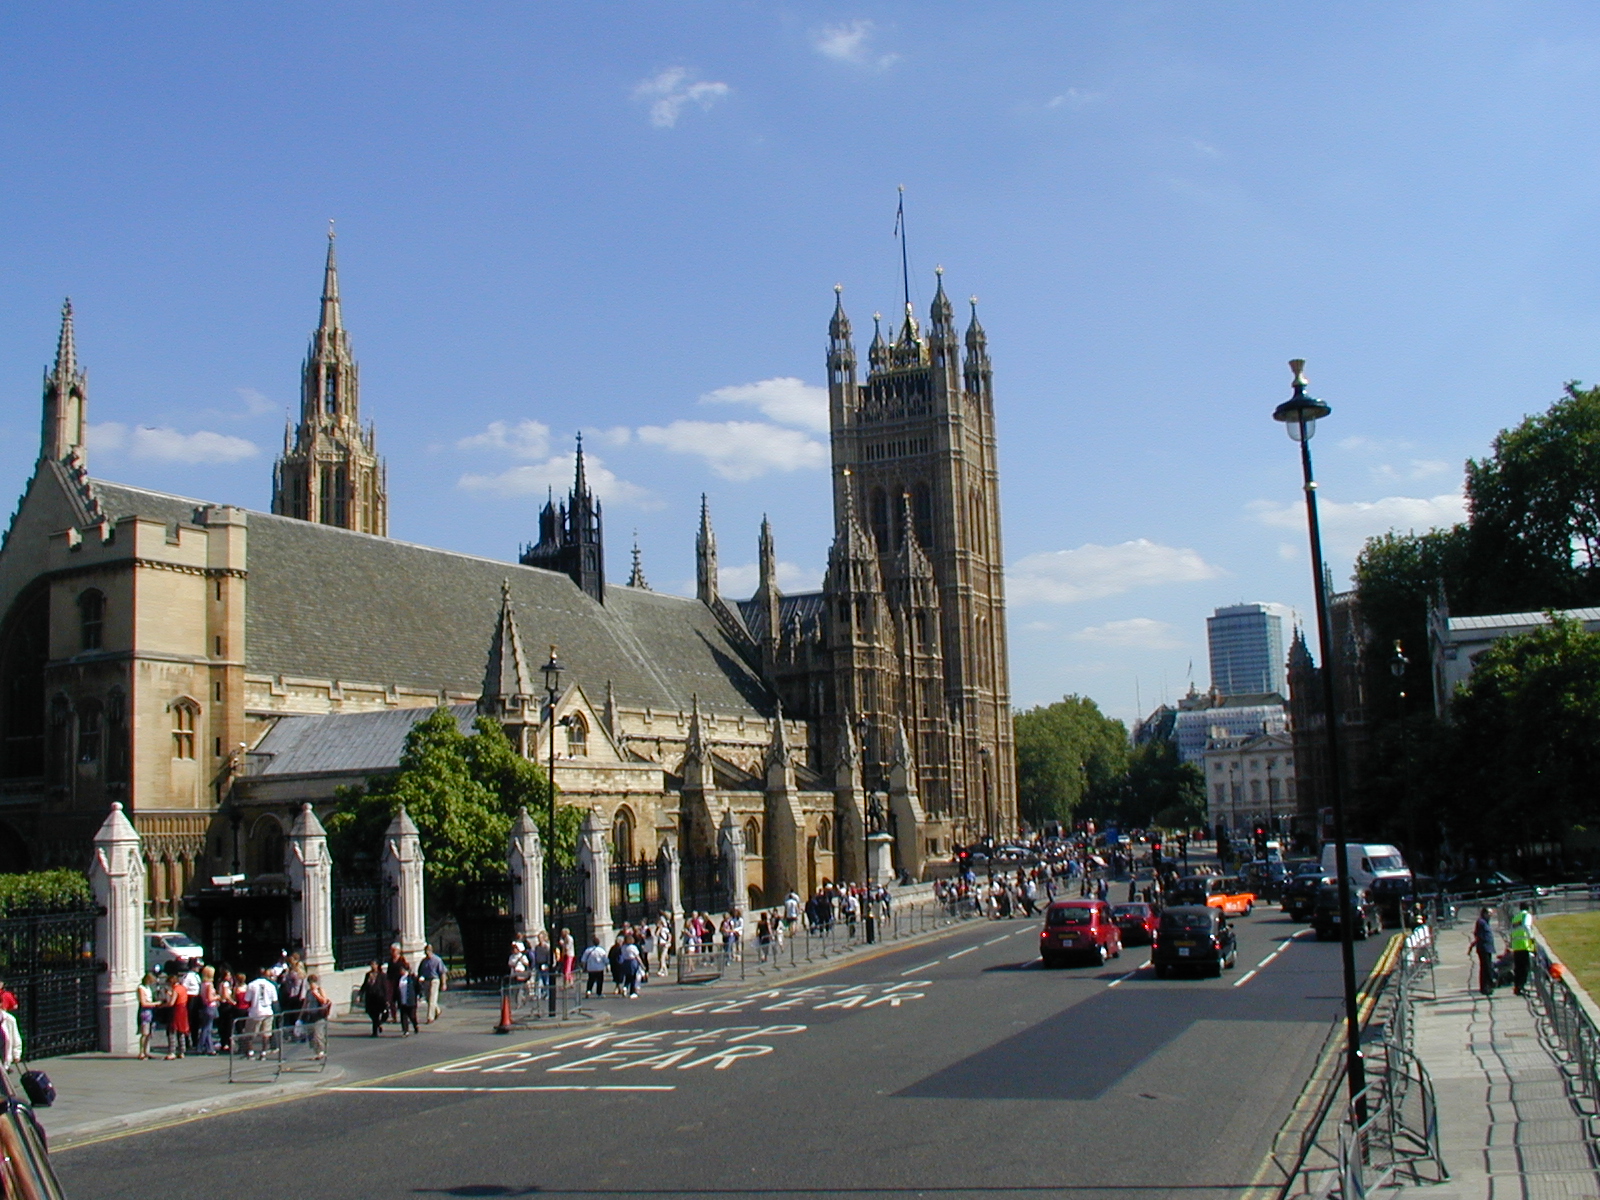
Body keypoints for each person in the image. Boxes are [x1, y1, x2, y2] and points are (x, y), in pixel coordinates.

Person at [243, 966, 279, 1059]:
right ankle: (263, 1052)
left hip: (255, 1012)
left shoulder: (251, 985)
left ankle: (250, 1052)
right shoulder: (271, 985)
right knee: (266, 1034)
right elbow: (274, 1000)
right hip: (267, 1011)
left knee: (250, 1033)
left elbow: (247, 999)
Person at [303, 973, 331, 1060]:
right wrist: (300, 1016)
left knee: (318, 1034)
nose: (311, 985)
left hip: (319, 1015)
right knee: (311, 1034)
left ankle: (321, 1051)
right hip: (311, 1014)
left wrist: (316, 994)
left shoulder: (320, 990)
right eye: (310, 983)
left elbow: (324, 1001)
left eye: (312, 983)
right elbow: (305, 1003)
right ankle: (316, 1051)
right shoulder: (308, 992)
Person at [1510, 902, 1536, 996]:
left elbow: (1511, 930)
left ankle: (1517, 987)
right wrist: (1532, 940)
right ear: (1528, 908)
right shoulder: (1526, 916)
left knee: (1518, 968)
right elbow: (1527, 927)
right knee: (1525, 968)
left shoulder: (1516, 917)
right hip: (1524, 945)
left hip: (1516, 945)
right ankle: (1521, 987)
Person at [1470, 907, 1497, 997]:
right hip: (1484, 948)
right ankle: (1486, 987)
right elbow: (1478, 934)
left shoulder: (1485, 922)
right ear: (1485, 913)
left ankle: (1487, 986)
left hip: (1488, 947)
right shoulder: (1481, 922)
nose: (1491, 915)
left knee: (1487, 967)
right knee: (1486, 968)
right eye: (1489, 913)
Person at [417, 943, 446, 1023]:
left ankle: (430, 1017)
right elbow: (420, 971)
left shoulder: (437, 960)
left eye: (428, 951)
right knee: (428, 998)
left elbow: (442, 972)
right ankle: (437, 1010)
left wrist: (444, 983)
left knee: (432, 999)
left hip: (434, 980)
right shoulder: (424, 961)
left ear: (431, 951)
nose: (427, 953)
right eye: (426, 951)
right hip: (426, 980)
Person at [164, 970, 190, 1059]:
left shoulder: (176, 989)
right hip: (183, 1010)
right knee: (181, 1031)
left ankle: (172, 1052)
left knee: (172, 1031)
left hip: (176, 1011)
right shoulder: (183, 988)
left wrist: (163, 1005)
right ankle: (182, 1051)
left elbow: (172, 1003)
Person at [359, 961, 388, 1037]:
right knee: (371, 1013)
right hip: (370, 996)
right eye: (371, 964)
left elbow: (385, 987)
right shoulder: (368, 974)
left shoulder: (382, 975)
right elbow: (364, 985)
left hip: (378, 997)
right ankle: (378, 1025)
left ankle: (375, 1031)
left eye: (374, 964)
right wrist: (360, 994)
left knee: (378, 1014)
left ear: (377, 965)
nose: (372, 966)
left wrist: (386, 998)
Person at [196, 965, 219, 1055]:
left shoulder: (203, 984)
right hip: (210, 1007)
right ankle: (200, 1047)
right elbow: (209, 998)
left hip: (205, 1007)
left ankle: (209, 1048)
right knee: (207, 1029)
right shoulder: (209, 985)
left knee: (207, 1028)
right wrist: (217, 997)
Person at [137, 972, 158, 1060]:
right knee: (144, 1033)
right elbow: (143, 1003)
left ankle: (146, 1051)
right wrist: (155, 1004)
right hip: (145, 1011)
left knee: (149, 1033)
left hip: (151, 1011)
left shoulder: (148, 987)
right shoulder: (141, 988)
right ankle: (141, 1052)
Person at [395, 963, 419, 1035]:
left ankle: (415, 1025)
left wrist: (417, 995)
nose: (401, 971)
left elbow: (417, 987)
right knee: (403, 1015)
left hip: (410, 999)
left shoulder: (411, 978)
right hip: (402, 999)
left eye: (402, 970)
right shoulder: (399, 978)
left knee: (412, 1015)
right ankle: (405, 1030)